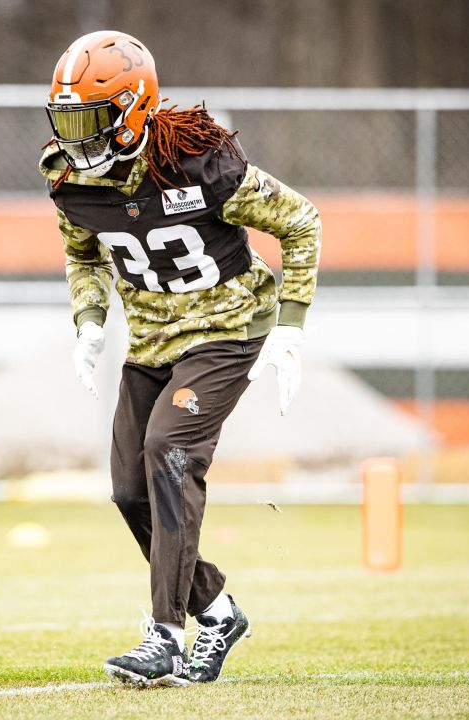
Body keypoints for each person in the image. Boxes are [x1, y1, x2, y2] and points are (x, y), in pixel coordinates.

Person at [39, 31, 322, 687]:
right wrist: (88, 320)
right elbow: (82, 251)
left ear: (134, 110)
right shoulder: (72, 181)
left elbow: (301, 221)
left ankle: (165, 636)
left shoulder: (196, 162)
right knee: (129, 489)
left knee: (169, 454)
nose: (77, 138)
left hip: (228, 329)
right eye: (68, 120)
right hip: (154, 341)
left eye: (91, 120)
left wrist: (292, 326)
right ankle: (217, 612)